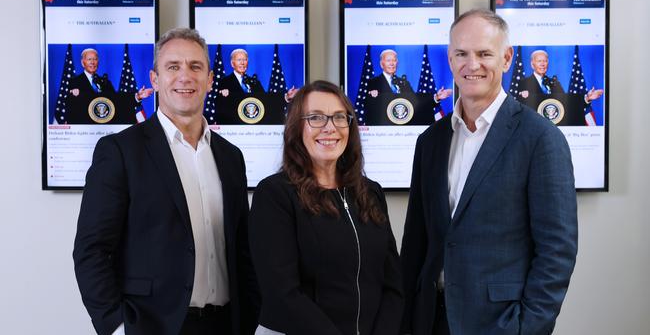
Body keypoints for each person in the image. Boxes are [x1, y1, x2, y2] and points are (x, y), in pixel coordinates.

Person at [400, 9, 578, 335]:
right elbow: (416, 242)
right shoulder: (431, 141)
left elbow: (557, 250)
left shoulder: (540, 138)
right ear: (450, 60)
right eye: (462, 54)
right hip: (430, 320)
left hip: (500, 323)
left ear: (507, 58)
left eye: (484, 54)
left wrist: (526, 327)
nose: (473, 64)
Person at [73, 28, 259, 335]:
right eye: (173, 67)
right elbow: (90, 250)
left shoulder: (230, 156)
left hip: (225, 325)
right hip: (152, 326)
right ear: (155, 79)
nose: (185, 76)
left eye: (195, 66)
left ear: (210, 79)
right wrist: (117, 326)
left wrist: (250, 317)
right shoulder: (120, 151)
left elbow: (242, 249)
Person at [249, 80, 403, 335]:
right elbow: (281, 293)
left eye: (339, 117)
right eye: (316, 118)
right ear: (297, 127)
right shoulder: (275, 195)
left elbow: (392, 284)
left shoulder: (370, 192)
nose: (330, 128)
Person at [66, 48, 153, 124]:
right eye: (89, 59)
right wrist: (73, 96)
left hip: (104, 129)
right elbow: (69, 107)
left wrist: (137, 96)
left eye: (95, 59)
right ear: (82, 63)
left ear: (98, 62)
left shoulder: (105, 82)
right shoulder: (74, 82)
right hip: (84, 130)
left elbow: (117, 100)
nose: (92, 62)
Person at [517, 49, 603, 125]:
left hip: (553, 129)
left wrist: (587, 98)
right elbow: (518, 108)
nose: (542, 64)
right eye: (539, 61)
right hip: (534, 128)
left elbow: (566, 103)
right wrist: (523, 98)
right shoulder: (524, 83)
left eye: (545, 61)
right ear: (532, 64)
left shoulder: (555, 83)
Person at [366, 49, 451, 125]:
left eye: (394, 60)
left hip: (405, 129)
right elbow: (368, 107)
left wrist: (436, 97)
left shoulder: (403, 82)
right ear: (381, 64)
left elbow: (415, 102)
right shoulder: (373, 82)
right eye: (388, 60)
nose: (392, 63)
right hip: (385, 130)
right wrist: (372, 97)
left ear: (397, 63)